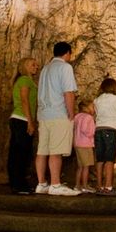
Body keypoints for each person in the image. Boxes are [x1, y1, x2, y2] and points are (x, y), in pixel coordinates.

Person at [35, 41, 81, 196]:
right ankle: (55, 184)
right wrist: (71, 113)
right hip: (58, 114)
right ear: (67, 53)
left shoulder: (45, 69)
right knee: (56, 151)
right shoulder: (65, 67)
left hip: (44, 115)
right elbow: (68, 92)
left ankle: (41, 183)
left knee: (42, 151)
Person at [7, 56, 40, 195]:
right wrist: (30, 122)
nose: (36, 67)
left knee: (16, 153)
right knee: (22, 153)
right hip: (22, 119)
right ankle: (20, 184)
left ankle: (16, 183)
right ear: (25, 66)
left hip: (18, 119)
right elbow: (25, 100)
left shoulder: (21, 80)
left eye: (36, 65)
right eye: (33, 65)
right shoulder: (25, 80)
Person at [93, 77, 116, 196]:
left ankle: (99, 186)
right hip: (111, 130)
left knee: (100, 159)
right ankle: (108, 187)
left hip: (98, 130)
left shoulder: (97, 100)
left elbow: (96, 115)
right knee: (110, 160)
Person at [72, 98, 97, 193]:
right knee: (86, 167)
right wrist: (93, 132)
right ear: (86, 108)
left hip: (78, 144)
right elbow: (86, 130)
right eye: (92, 106)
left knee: (80, 167)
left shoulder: (77, 116)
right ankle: (85, 186)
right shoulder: (88, 117)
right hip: (86, 145)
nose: (94, 108)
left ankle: (77, 185)